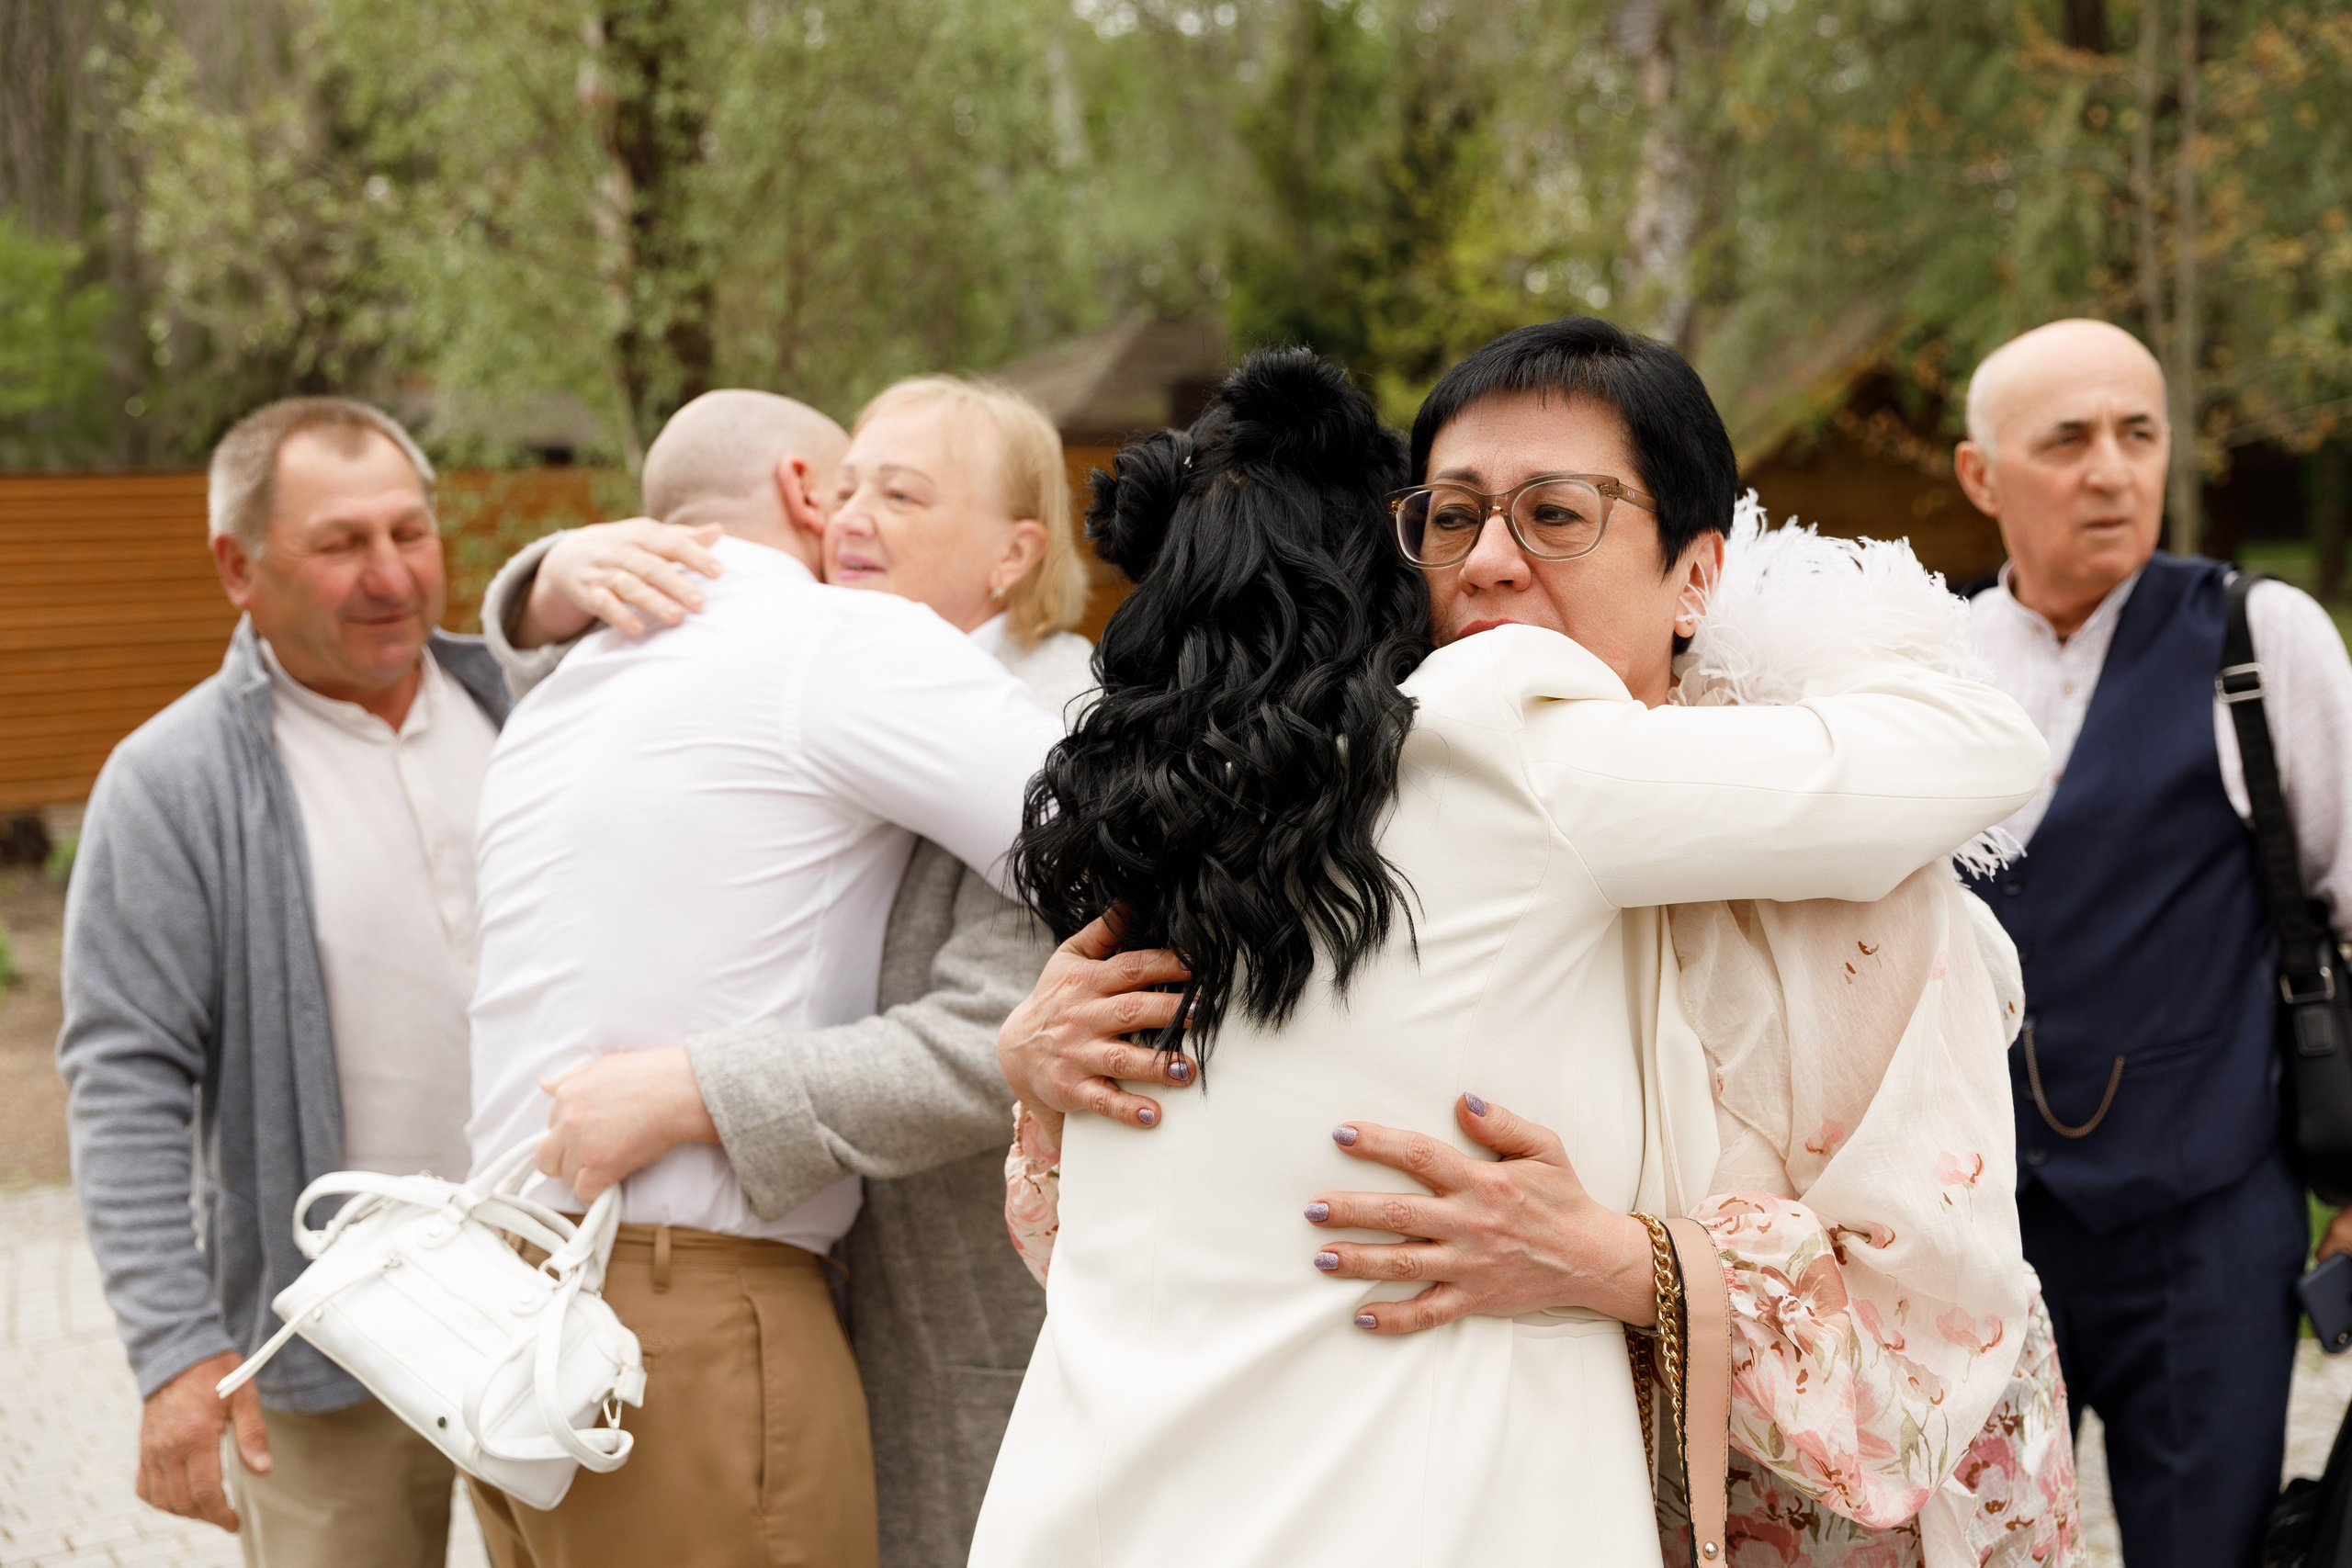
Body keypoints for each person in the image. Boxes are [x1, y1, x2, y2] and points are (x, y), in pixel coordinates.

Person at [969, 333, 2053, 1566]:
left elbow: (1937, 1303)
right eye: (1447, 516)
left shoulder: (1232, 803)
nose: (1487, 562)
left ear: (1699, 571)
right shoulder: (1459, 747)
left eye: (1556, 514)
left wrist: (1624, 1262)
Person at [473, 376, 1091, 1567]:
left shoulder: (1035, 710)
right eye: (845, 485)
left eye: (898, 492)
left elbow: (1069, 952)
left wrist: (698, 1085)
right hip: (705, 1320)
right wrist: (543, 585)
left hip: (949, 1354)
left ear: (1015, 554)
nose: (851, 518)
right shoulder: (828, 667)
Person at [57, 397, 512, 1566]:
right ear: (237, 566)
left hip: (552, 1293)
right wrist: (176, 1352)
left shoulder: (528, 711)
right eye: (340, 543)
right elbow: (124, 1082)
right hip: (330, 1336)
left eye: (409, 533)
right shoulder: (172, 783)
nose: (391, 575)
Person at [1952, 319, 2352, 1567]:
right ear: (1982, 475)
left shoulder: (2260, 636)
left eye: (2138, 432)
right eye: (2067, 439)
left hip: (2210, 1213)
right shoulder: (1925, 663)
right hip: (1977, 1228)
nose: (2112, 469)